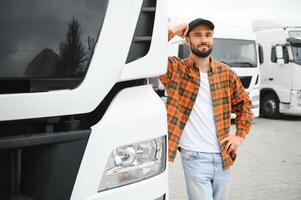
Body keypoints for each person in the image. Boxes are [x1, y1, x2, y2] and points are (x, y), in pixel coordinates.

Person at [159, 18, 254, 200]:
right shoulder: (176, 69)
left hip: (223, 156)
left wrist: (239, 135)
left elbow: (245, 106)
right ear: (187, 40)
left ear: (213, 39)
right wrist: (173, 30)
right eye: (197, 35)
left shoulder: (226, 73)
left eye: (208, 35)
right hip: (194, 157)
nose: (203, 39)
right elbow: (148, 53)